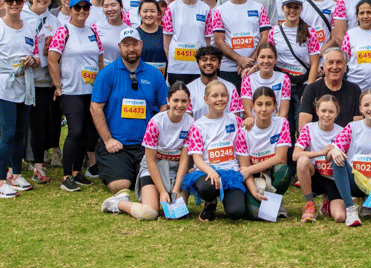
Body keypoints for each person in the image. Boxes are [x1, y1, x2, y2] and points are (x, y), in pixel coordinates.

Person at [90, 27, 169, 194]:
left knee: (154, 182)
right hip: (117, 145)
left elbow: (163, 106)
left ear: (141, 44)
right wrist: (108, 140)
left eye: (135, 44)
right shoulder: (107, 74)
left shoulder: (154, 74)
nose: (131, 49)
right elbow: (95, 107)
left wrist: (159, 139)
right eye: (126, 45)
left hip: (145, 145)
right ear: (119, 46)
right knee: (120, 185)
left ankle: (136, 172)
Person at [100, 81, 193, 220]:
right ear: (168, 101)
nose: (180, 105)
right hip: (154, 168)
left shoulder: (191, 123)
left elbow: (185, 160)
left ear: (189, 102)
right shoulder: (156, 123)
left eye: (184, 101)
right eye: (176, 100)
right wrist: (162, 191)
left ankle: (169, 194)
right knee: (148, 213)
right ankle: (117, 202)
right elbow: (150, 161)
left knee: (177, 214)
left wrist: (175, 190)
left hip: (175, 170)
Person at [48, 0, 104, 191]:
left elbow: (99, 59)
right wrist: (57, 86)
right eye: (77, 7)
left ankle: (75, 172)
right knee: (76, 131)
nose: (81, 11)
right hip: (70, 91)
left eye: (85, 7)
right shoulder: (64, 31)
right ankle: (66, 176)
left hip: (90, 90)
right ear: (70, 10)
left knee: (88, 133)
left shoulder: (93, 31)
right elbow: (52, 59)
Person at [328, 89, 371, 226]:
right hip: (354, 182)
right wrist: (335, 152)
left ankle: (368, 200)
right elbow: (333, 150)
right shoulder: (352, 127)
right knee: (337, 158)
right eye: (366, 105)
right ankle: (351, 209)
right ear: (360, 109)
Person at [180, 81, 249, 221]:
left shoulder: (236, 121)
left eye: (223, 95)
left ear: (228, 98)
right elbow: (197, 158)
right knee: (206, 188)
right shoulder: (197, 126)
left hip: (231, 172)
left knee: (236, 212)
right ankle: (210, 202)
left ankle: (231, 200)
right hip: (207, 173)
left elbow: (244, 146)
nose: (219, 99)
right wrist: (211, 171)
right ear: (206, 99)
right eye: (215, 96)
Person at [0, 0, 39, 197]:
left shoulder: (29, 27)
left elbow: (37, 55)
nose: (14, 4)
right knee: (5, 134)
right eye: (10, 0)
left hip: (25, 85)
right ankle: (0, 180)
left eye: (18, 0)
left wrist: (32, 60)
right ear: (4, 3)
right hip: (4, 86)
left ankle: (15, 174)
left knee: (19, 134)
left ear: (23, 3)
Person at [22, 0, 60, 184]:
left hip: (44, 81)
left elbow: (59, 52)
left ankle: (38, 164)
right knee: (19, 123)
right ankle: (14, 165)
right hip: (21, 78)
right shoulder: (20, 16)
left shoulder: (55, 21)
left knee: (39, 123)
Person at [267, 0, 320, 136]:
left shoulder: (310, 33)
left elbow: (314, 63)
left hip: (303, 85)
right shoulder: (274, 32)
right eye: (288, 6)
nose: (292, 10)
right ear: (282, 8)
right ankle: (286, 158)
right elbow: (268, 58)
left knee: (302, 127)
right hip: (282, 86)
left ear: (301, 9)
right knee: (283, 126)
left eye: (296, 7)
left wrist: (309, 91)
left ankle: (301, 157)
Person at [236, 86, 293, 219]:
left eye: (268, 104)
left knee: (283, 170)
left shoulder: (282, 123)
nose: (263, 109)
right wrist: (254, 192)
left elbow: (280, 157)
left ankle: (275, 201)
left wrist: (249, 169)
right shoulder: (243, 131)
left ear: (275, 106)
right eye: (259, 104)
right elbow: (244, 168)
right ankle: (259, 199)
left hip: (272, 173)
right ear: (253, 107)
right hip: (253, 178)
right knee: (255, 215)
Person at [211, 0, 271, 89]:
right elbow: (218, 41)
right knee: (230, 106)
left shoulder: (259, 8)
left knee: (257, 106)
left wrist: (250, 61)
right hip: (229, 69)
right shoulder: (219, 11)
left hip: (255, 68)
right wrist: (239, 59)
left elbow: (266, 35)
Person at [295, 95, 344, 222]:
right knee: (302, 161)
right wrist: (321, 152)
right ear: (317, 111)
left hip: (333, 179)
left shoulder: (343, 132)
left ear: (336, 113)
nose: (327, 115)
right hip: (314, 176)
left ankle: (328, 199)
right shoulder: (308, 128)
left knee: (339, 217)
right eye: (323, 111)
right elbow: (295, 155)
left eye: (331, 111)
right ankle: (309, 204)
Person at [163, 0, 212, 85]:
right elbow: (166, 44)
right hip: (177, 69)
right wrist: (174, 63)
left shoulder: (205, 9)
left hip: (198, 68)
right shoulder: (171, 8)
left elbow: (207, 42)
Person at [299, 47, 362, 130]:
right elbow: (303, 128)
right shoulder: (311, 89)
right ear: (324, 66)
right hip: (317, 140)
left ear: (345, 67)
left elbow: (357, 127)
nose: (335, 67)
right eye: (330, 62)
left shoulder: (354, 90)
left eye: (339, 62)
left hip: (346, 140)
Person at [185, 45, 243, 121]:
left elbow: (236, 120)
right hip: (198, 132)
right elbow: (187, 122)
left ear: (219, 64)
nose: (208, 62)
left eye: (213, 59)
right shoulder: (188, 90)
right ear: (198, 64)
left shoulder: (230, 88)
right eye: (204, 60)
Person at [95, 0, 130, 66]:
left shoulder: (128, 31)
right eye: (106, 6)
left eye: (113, 5)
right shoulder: (96, 27)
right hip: (100, 73)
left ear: (121, 7)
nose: (110, 9)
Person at [137, 0, 167, 77]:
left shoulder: (165, 33)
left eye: (152, 11)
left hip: (161, 80)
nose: (149, 14)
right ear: (140, 13)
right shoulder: (135, 34)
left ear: (158, 13)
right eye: (145, 11)